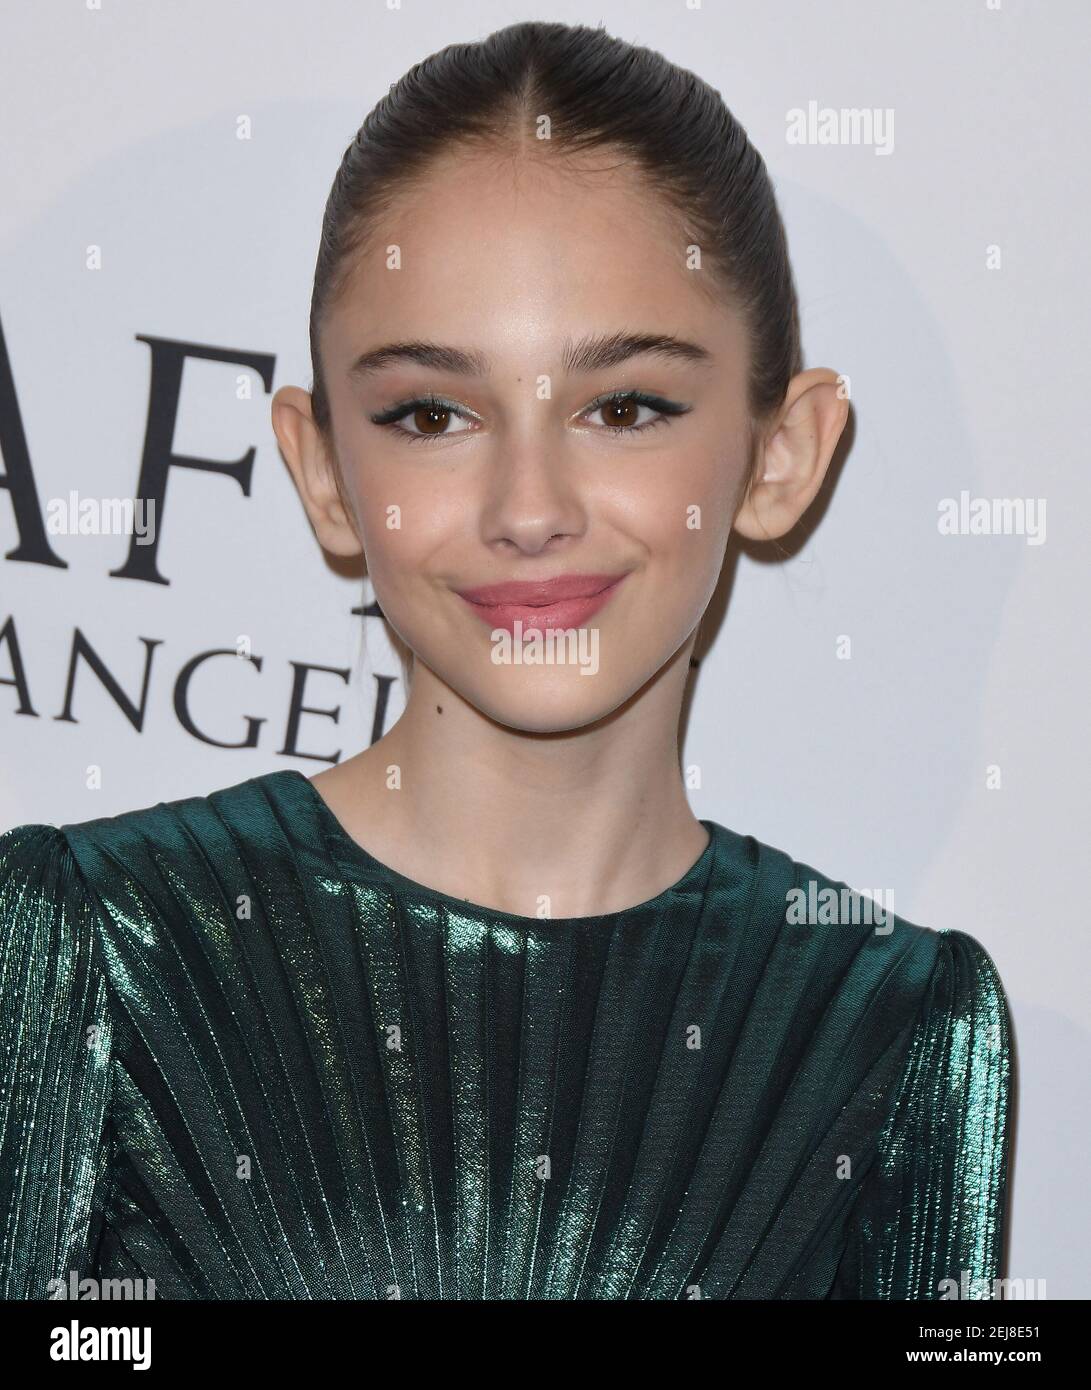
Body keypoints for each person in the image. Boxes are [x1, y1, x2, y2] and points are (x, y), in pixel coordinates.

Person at [0, 20, 1011, 1300]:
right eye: (431, 413)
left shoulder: (895, 1026)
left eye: (624, 406)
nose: (527, 505)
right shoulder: (95, 940)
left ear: (779, 454)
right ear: (322, 472)